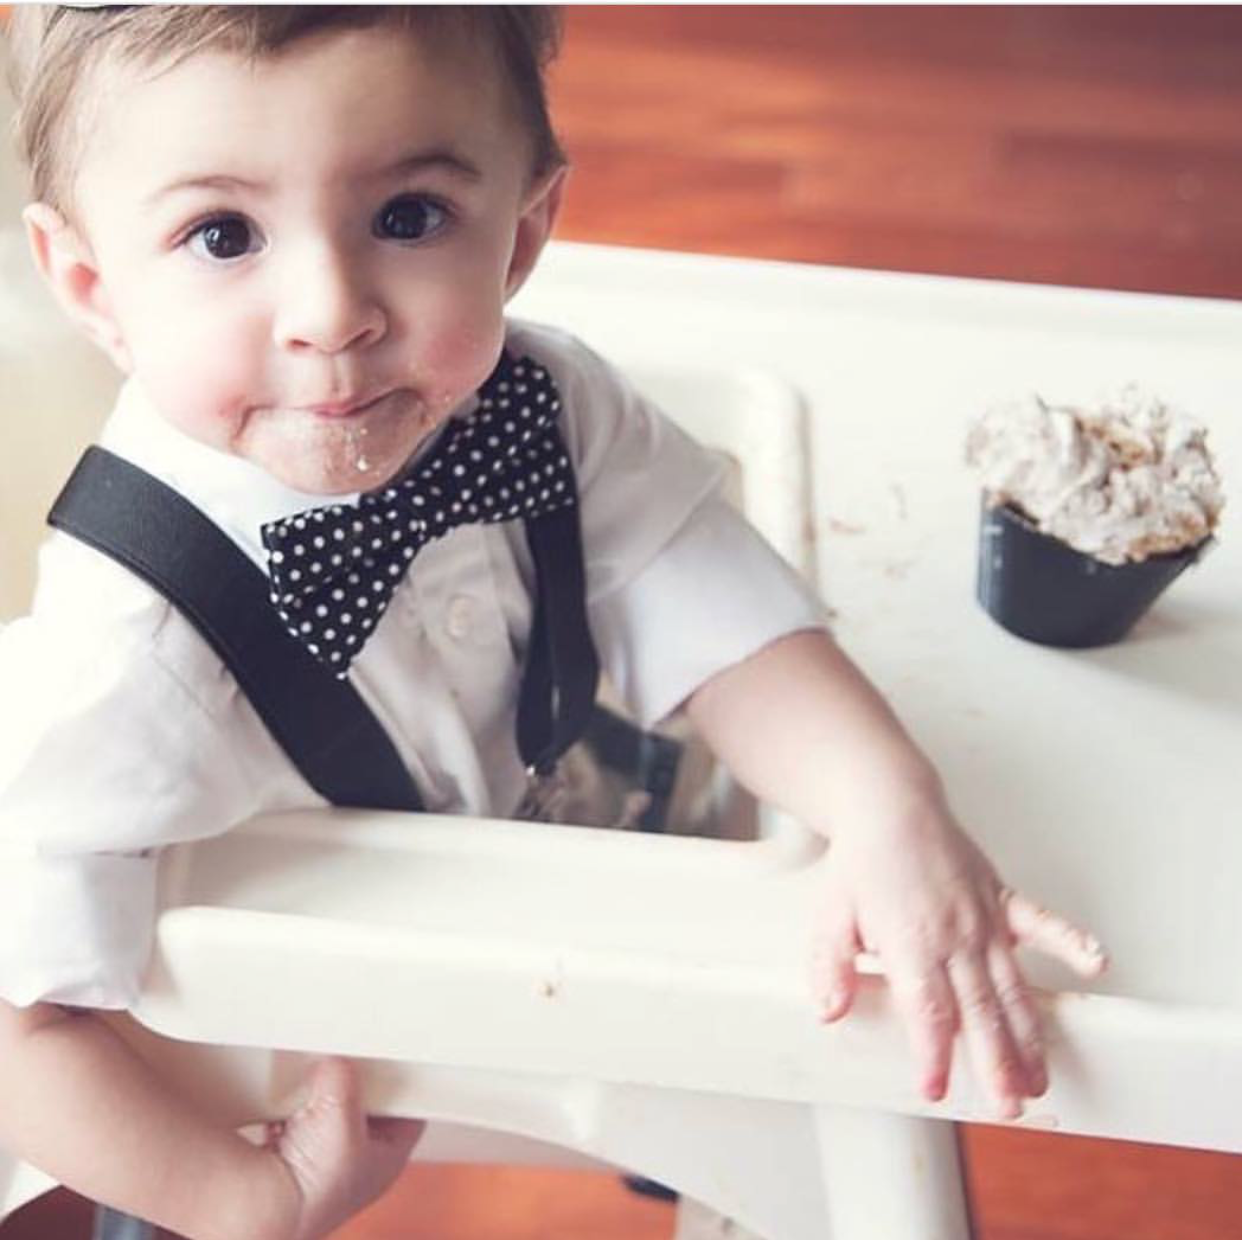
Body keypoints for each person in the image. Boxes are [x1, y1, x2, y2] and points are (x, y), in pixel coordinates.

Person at [0, 6, 1107, 1238]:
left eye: (408, 216)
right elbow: (19, 1016)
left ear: (524, 231)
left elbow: (716, 611)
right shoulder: (119, 664)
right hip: (256, 1045)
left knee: (828, 1057)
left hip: (546, 848)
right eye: (222, 234)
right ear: (95, 287)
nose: (332, 312)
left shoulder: (547, 405)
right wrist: (235, 1195)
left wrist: (886, 801)